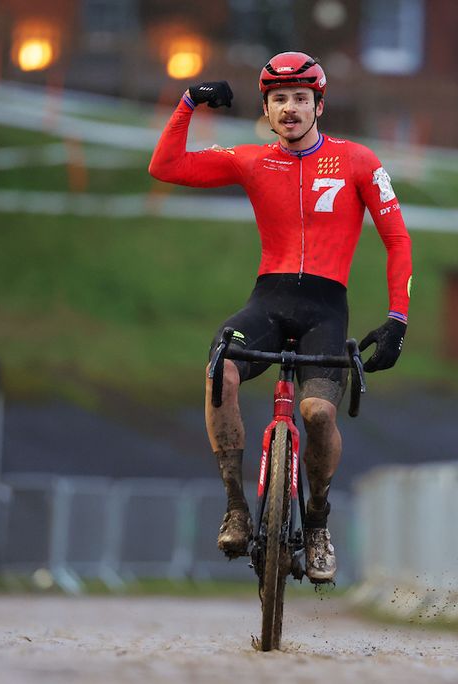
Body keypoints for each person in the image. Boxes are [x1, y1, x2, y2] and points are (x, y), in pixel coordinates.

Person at [148, 52, 413, 583]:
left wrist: (396, 320)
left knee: (317, 414)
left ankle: (316, 521)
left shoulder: (359, 160)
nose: (290, 108)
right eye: (279, 100)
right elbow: (165, 166)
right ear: (266, 111)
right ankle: (236, 506)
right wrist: (188, 103)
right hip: (267, 302)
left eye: (300, 98)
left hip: (325, 309)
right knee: (220, 367)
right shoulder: (252, 160)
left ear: (319, 105)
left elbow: (397, 240)